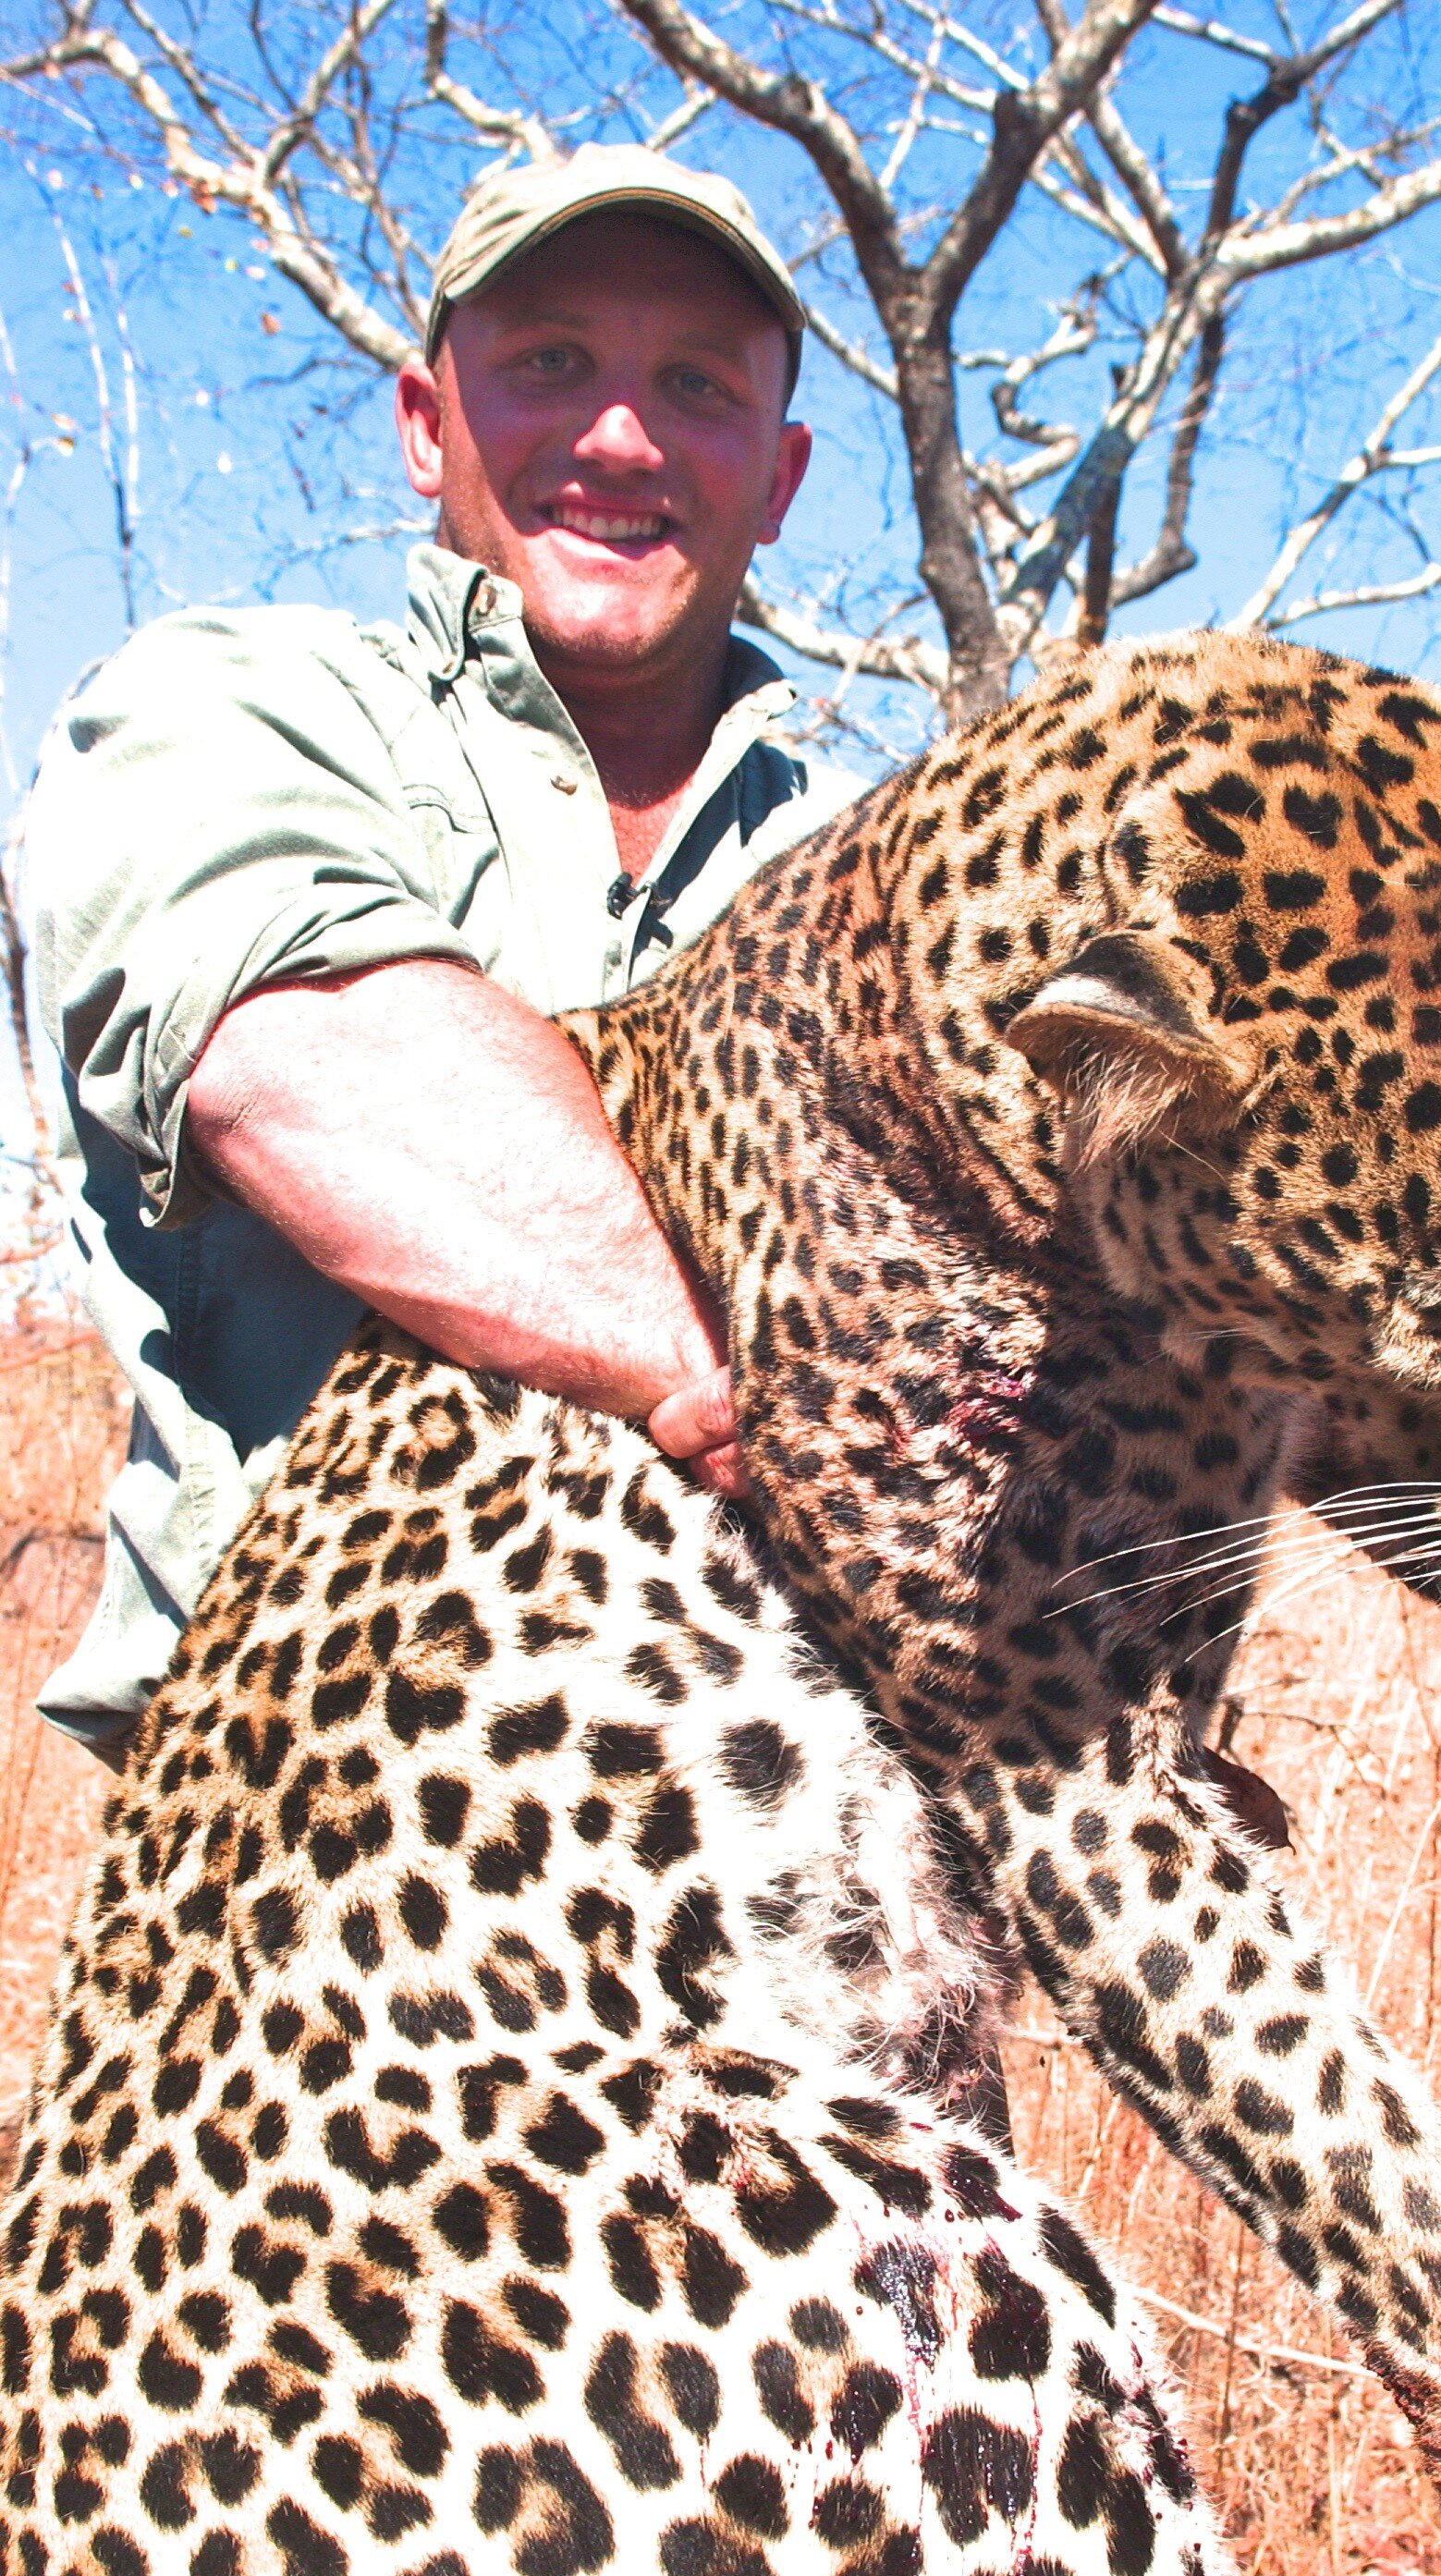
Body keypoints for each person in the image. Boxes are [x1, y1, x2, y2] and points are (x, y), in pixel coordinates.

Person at [22, 143, 866, 1767]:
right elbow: (319, 1069)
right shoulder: (217, 710)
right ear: (427, 424)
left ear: (779, 476)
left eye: (695, 383)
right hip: (328, 1849)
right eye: (552, 361)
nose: (619, 436)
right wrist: (810, 1387)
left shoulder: (875, 863)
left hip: (823, 1848)